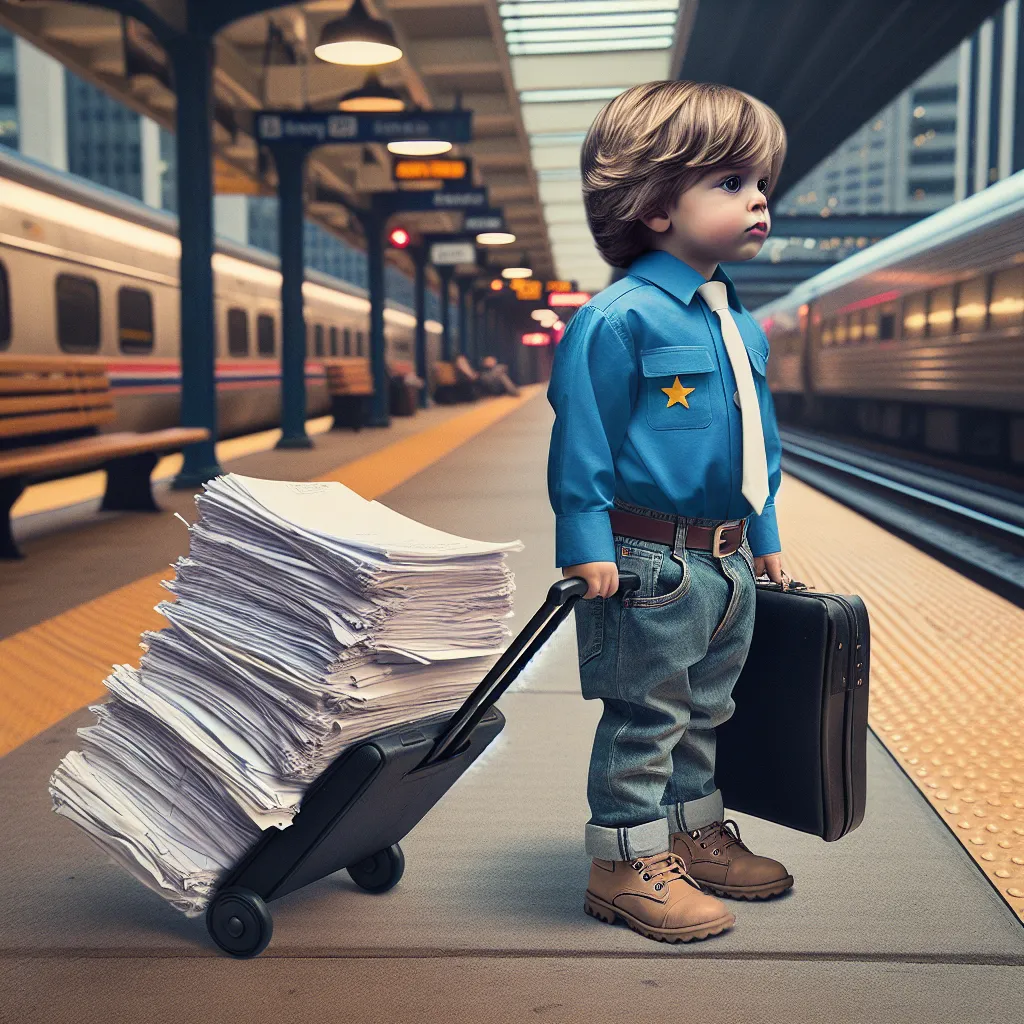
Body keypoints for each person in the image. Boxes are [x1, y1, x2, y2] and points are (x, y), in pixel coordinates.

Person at [546, 81, 793, 946]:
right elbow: (583, 440)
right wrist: (584, 542)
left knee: (707, 709)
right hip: (647, 560)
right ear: (653, 207)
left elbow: (758, 445)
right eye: (729, 183)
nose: (758, 198)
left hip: (723, 564)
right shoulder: (617, 322)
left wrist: (761, 541)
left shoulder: (740, 325)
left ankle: (690, 836)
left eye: (759, 182)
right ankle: (621, 862)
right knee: (647, 714)